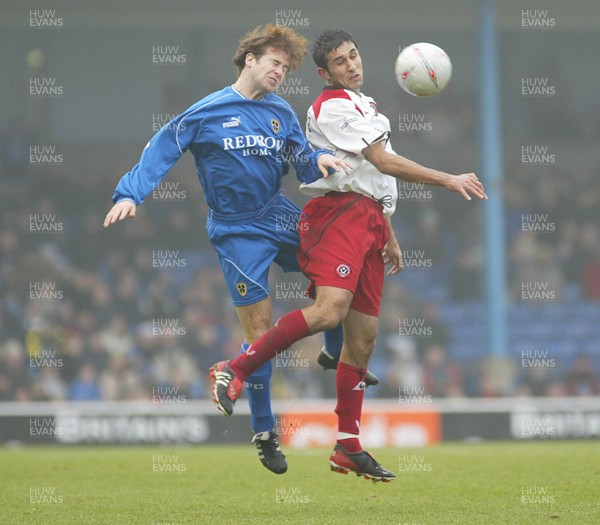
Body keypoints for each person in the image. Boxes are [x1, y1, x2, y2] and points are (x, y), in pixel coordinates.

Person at [212, 29, 487, 482]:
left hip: (370, 219)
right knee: (328, 311)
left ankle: (348, 445)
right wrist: (447, 178)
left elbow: (376, 178)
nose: (351, 65)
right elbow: (381, 161)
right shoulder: (332, 105)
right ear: (325, 73)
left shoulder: (369, 105)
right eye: (340, 62)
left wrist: (389, 229)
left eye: (354, 56)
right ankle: (234, 368)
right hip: (337, 214)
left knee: (364, 340)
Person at [103, 24, 352, 475]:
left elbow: (299, 156)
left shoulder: (281, 112)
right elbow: (162, 148)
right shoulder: (207, 111)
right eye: (274, 63)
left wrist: (317, 160)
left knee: (340, 267)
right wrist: (129, 194)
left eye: (286, 66)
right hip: (236, 230)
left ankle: (333, 349)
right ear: (249, 60)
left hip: (276, 211)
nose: (281, 72)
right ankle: (264, 431)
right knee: (260, 334)